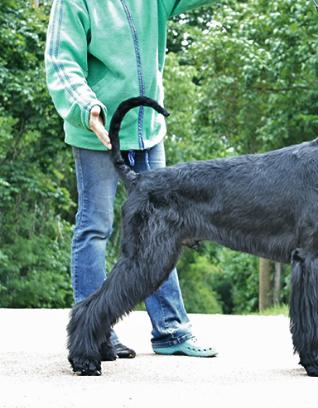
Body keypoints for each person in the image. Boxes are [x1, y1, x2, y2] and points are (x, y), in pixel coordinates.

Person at [44, 0, 218, 358]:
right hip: (98, 130)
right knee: (96, 225)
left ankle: (171, 331)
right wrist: (86, 106)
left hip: (147, 130)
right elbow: (61, 61)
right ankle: (94, 333)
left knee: (167, 226)